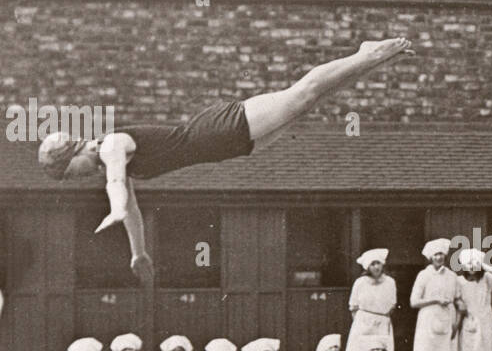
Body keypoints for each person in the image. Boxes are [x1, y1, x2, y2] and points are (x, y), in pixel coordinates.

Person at [36, 38, 413, 284]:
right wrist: (139, 253)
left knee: (302, 94)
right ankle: (367, 60)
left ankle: (367, 53)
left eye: (70, 175)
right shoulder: (108, 159)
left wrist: (115, 209)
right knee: (308, 104)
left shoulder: (110, 146)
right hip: (224, 148)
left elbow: (117, 186)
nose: (76, 180)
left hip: (216, 130)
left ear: (75, 153)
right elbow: (132, 208)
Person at [410, 238, 461, 351]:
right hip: (428, 322)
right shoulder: (424, 276)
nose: (439, 257)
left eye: (441, 254)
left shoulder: (452, 276)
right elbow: (414, 302)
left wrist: (457, 321)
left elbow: (457, 298)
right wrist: (434, 300)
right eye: (436, 254)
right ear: (430, 257)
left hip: (446, 321)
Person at [345, 248, 397, 351]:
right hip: (363, 323)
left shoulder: (390, 282)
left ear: (382, 264)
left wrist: (381, 319)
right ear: (367, 267)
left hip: (382, 324)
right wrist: (361, 323)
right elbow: (353, 307)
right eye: (372, 264)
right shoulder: (360, 282)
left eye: (378, 263)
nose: (376, 267)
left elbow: (392, 305)